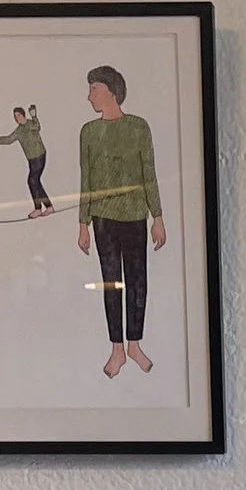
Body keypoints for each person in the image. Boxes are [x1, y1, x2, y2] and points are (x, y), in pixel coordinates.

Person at [76, 65, 165, 380]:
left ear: (111, 90)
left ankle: (135, 345)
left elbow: (149, 174)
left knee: (138, 281)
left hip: (135, 216)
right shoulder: (89, 131)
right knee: (112, 283)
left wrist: (158, 217)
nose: (89, 96)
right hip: (103, 220)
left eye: (94, 89)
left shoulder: (138, 127)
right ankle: (116, 348)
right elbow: (86, 177)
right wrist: (83, 223)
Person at [0, 101, 54, 213]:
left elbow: (37, 126)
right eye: (15, 116)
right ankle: (49, 206)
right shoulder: (19, 130)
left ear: (23, 115)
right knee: (35, 181)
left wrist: (34, 116)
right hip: (31, 159)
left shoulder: (30, 124)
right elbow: (8, 140)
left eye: (18, 115)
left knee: (32, 180)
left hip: (39, 156)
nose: (17, 118)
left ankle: (38, 208)